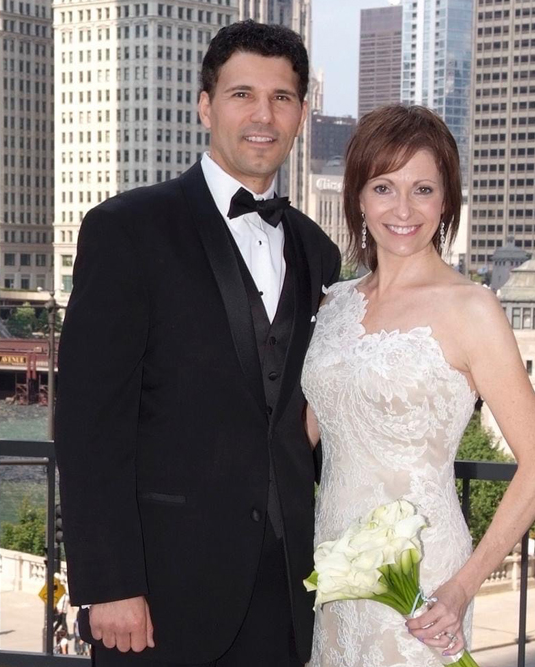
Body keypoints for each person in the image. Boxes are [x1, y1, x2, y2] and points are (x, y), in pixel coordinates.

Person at [54, 19, 341, 667]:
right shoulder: (128, 229)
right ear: (205, 105)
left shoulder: (317, 250)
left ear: (300, 114)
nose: (263, 114)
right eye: (242, 94)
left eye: (282, 98)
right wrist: (110, 582)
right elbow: (88, 421)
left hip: (287, 588)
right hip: (158, 593)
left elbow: (305, 416)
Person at [301, 104, 535, 665]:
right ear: (358, 197)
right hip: (337, 567)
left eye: (422, 189)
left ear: (446, 202)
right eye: (383, 187)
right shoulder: (335, 303)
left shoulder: (472, 308)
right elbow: (302, 438)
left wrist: (463, 585)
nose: (402, 209)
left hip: (423, 576)